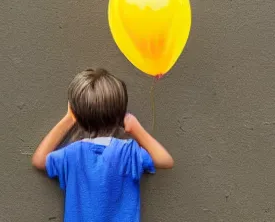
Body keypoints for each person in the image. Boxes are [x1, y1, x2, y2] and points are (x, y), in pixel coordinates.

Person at [32, 68, 174, 222]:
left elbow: (39, 160)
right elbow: (165, 160)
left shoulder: (72, 154)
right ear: (120, 111)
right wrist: (136, 129)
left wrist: (69, 119)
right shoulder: (127, 153)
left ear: (76, 112)